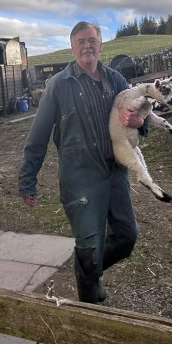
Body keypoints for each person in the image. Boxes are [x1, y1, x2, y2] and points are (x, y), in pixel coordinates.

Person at [18, 21, 145, 303]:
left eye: (92, 40)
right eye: (80, 41)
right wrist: (28, 179)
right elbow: (38, 136)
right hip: (79, 178)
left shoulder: (116, 81)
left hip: (114, 173)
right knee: (88, 248)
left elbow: (139, 119)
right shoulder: (58, 85)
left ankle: (89, 273)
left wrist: (139, 122)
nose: (87, 46)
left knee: (127, 237)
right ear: (73, 47)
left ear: (100, 45)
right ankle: (89, 305)